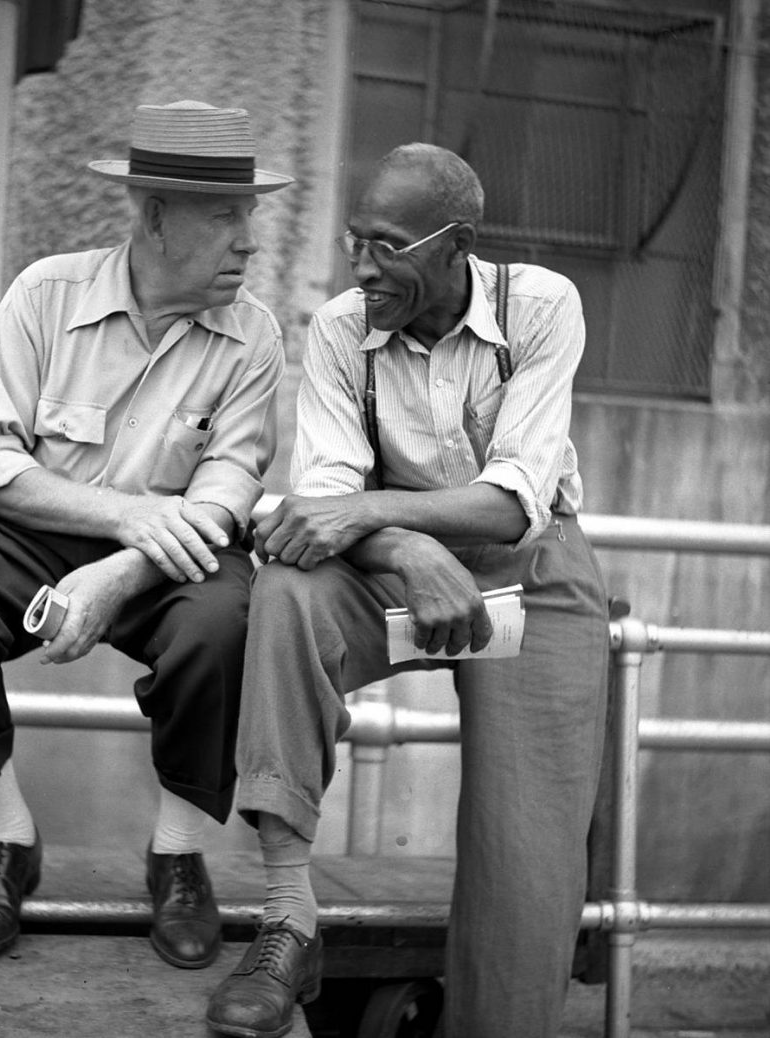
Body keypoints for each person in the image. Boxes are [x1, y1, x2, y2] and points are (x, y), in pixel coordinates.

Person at [0, 100, 292, 969]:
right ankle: (4, 841)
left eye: (248, 216)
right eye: (225, 217)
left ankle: (178, 855)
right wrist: (127, 516)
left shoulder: (254, 335)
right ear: (152, 218)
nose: (248, 241)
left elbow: (226, 491)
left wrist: (126, 568)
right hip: (33, 529)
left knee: (227, 627)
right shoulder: (45, 293)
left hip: (175, 556)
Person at [206, 143, 609, 1038]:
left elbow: (511, 506)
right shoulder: (344, 327)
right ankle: (287, 921)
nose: (359, 267)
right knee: (287, 589)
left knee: (524, 852)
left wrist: (385, 524)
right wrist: (405, 546)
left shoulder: (542, 308)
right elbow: (321, 507)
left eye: (385, 245)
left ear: (456, 241)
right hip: (384, 567)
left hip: (530, 575)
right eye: (354, 241)